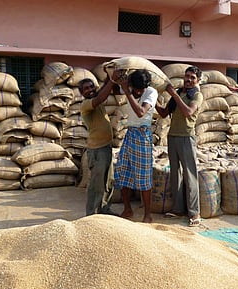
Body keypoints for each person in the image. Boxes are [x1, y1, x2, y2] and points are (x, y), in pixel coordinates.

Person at [156, 65, 203, 227]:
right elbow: (164, 113)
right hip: (173, 137)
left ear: (198, 81)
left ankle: (194, 212)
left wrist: (174, 94)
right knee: (176, 174)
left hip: (186, 138)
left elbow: (188, 112)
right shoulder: (179, 93)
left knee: (190, 175)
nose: (188, 80)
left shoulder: (196, 95)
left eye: (192, 78)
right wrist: (151, 100)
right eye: (187, 76)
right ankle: (177, 208)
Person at [114, 69, 158, 223]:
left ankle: (147, 214)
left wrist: (127, 92)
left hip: (142, 135)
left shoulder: (151, 93)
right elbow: (115, 88)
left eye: (140, 90)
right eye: (136, 89)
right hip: (130, 133)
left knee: (144, 177)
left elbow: (141, 112)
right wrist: (114, 78)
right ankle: (127, 209)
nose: (138, 92)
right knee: (122, 171)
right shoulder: (129, 87)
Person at [79, 74, 119, 216]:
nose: (90, 90)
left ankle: (105, 210)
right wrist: (112, 80)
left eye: (91, 87)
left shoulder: (96, 98)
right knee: (97, 185)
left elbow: (101, 91)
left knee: (108, 182)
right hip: (96, 151)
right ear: (81, 93)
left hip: (106, 147)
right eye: (86, 89)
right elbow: (100, 97)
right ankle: (91, 215)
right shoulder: (86, 105)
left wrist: (109, 75)